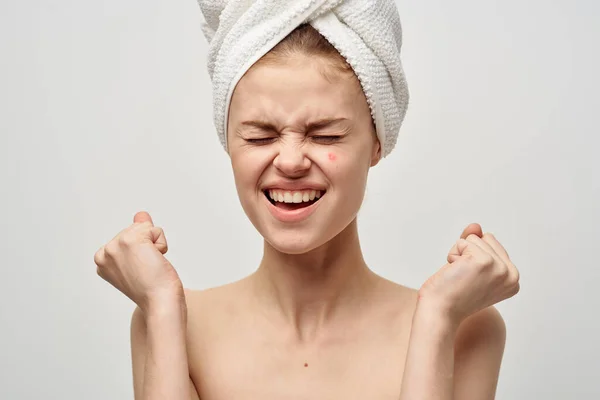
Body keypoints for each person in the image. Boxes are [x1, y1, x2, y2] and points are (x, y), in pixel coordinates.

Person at [94, 22, 520, 400]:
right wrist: (162, 305)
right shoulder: (169, 322)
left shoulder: (465, 328)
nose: (291, 161)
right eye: (260, 137)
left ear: (377, 143)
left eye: (327, 135)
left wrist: (436, 320)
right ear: (228, 144)